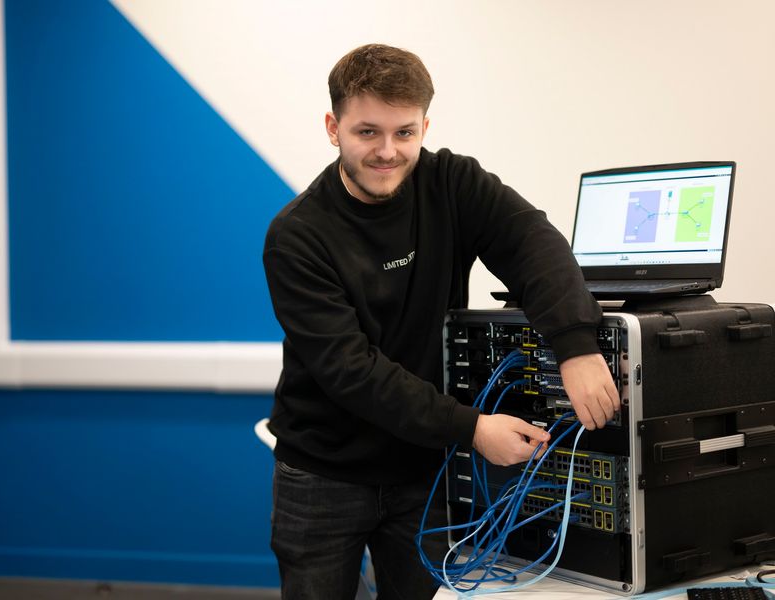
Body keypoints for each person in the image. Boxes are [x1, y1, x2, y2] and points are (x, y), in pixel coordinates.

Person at [263, 43, 619, 600]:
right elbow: (352, 371)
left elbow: (531, 241)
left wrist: (575, 345)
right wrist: (472, 429)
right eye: (367, 133)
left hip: (424, 473)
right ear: (333, 128)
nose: (388, 151)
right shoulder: (298, 236)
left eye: (405, 132)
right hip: (323, 475)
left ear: (425, 124)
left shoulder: (452, 183)